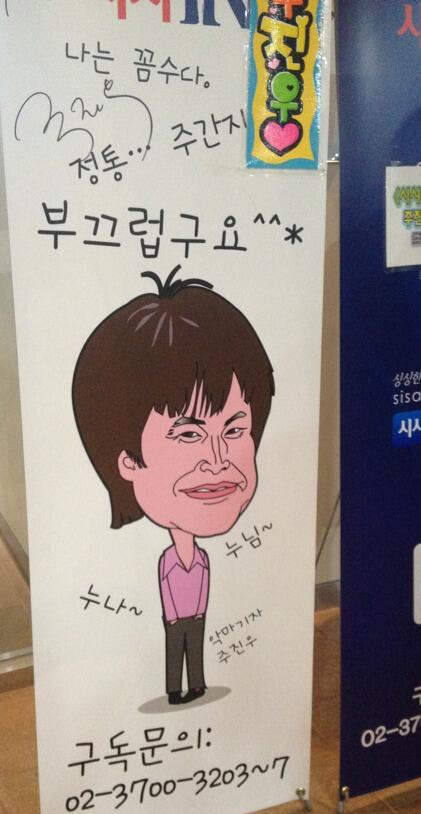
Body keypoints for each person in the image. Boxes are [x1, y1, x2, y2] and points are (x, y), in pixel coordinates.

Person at [72, 266, 274, 705]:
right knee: (175, 649)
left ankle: (194, 684)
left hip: (196, 619)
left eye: (235, 430)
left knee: (192, 648)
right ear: (127, 460)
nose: (218, 460)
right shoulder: (159, 562)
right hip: (174, 621)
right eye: (188, 435)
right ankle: (174, 688)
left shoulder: (202, 560)